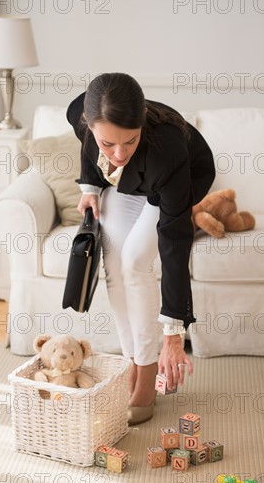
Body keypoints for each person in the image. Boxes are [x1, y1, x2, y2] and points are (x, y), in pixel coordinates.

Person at [66, 73, 215, 424]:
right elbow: (89, 150)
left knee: (135, 261)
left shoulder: (169, 151)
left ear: (141, 126)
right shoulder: (81, 115)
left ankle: (147, 375)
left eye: (129, 141)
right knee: (114, 258)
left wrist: (174, 335)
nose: (118, 154)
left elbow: (175, 244)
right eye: (108, 144)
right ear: (90, 125)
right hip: (129, 186)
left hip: (174, 182)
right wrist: (89, 188)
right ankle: (132, 362)